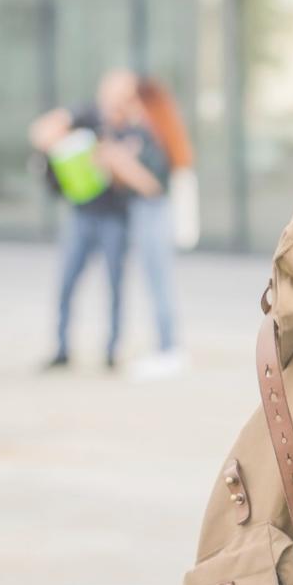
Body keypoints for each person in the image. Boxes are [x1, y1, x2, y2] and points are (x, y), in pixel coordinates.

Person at [29, 70, 162, 370]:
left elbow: (150, 184)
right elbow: (41, 132)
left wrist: (116, 161)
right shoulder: (85, 117)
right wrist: (71, 143)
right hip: (81, 215)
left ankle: (112, 351)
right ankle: (62, 348)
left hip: (115, 218)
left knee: (115, 286)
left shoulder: (136, 132)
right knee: (67, 283)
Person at [127, 77, 196, 380]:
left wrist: (122, 161)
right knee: (157, 281)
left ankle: (168, 349)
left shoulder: (152, 136)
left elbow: (152, 184)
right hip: (153, 213)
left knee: (159, 282)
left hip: (154, 213)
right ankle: (166, 347)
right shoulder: (158, 133)